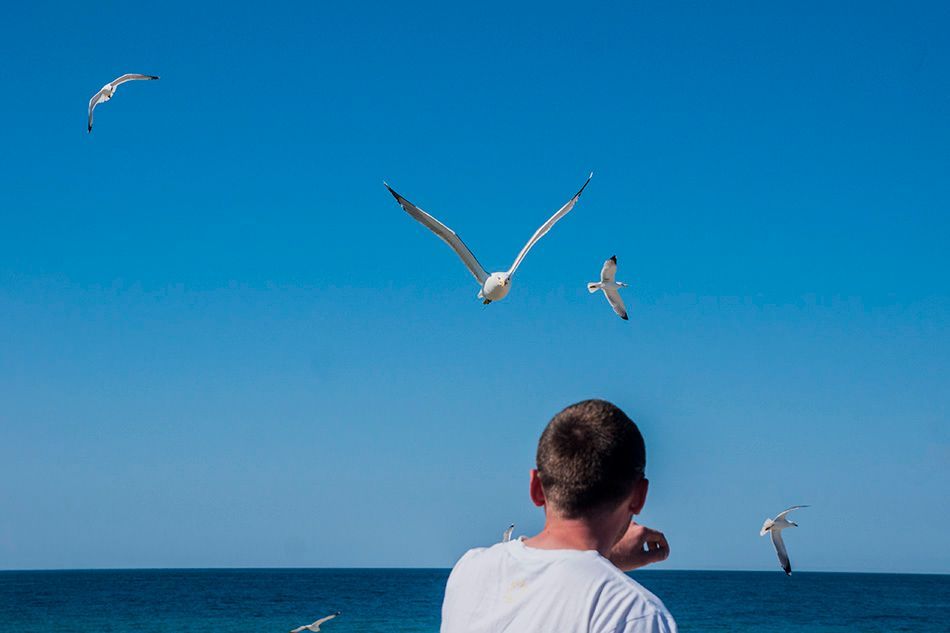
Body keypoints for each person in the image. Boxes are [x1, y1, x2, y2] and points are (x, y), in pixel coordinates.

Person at [441, 399, 676, 633]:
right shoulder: (634, 615)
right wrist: (603, 566)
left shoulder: (469, 572)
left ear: (535, 488)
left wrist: (605, 562)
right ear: (639, 496)